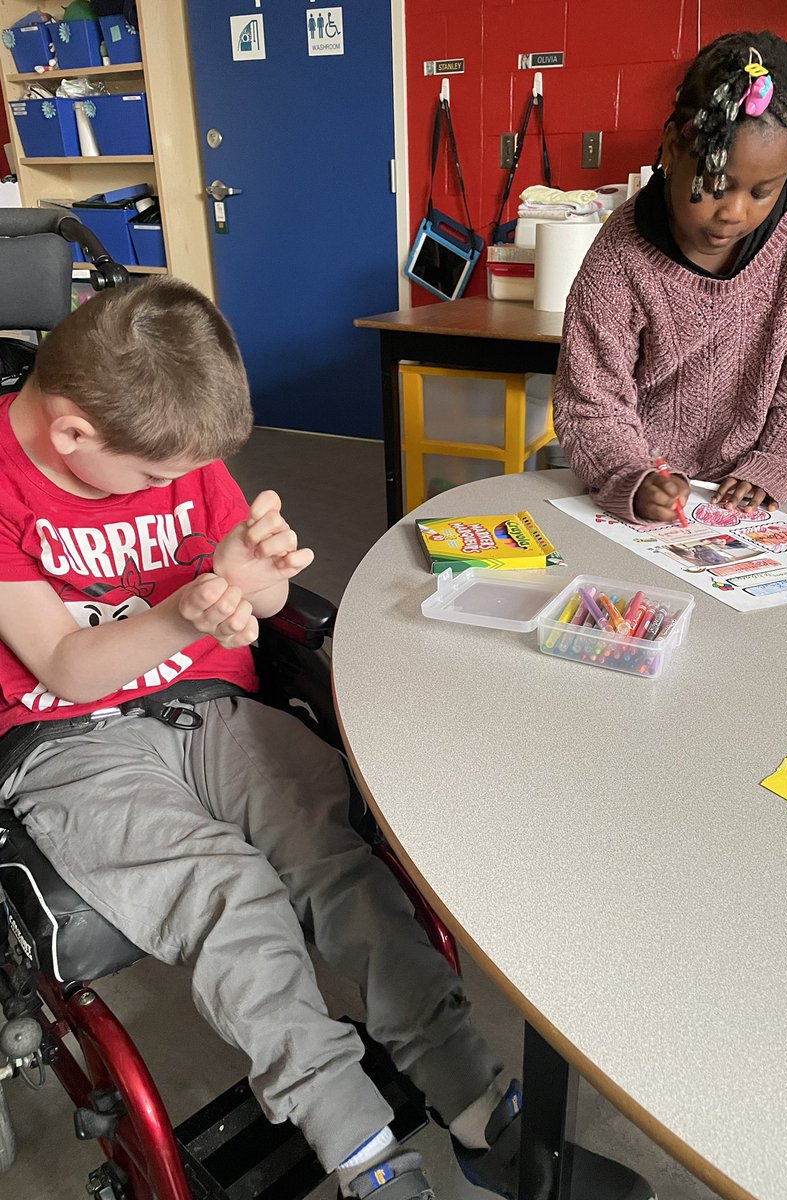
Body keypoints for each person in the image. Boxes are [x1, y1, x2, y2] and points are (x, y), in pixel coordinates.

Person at [0, 278, 523, 1200]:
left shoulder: (176, 443)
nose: (171, 490)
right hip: (69, 742)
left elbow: (262, 605)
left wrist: (260, 577)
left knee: (338, 854)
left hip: (206, 703)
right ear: (74, 434)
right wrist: (184, 611)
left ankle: (473, 1097)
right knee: (229, 895)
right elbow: (66, 668)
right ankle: (360, 1148)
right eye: (157, 480)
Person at [553, 30, 787, 526]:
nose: (734, 213)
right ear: (673, 148)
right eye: (715, 185)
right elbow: (592, 400)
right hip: (654, 479)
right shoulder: (618, 257)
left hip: (757, 488)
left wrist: (780, 462)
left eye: (763, 192)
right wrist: (632, 475)